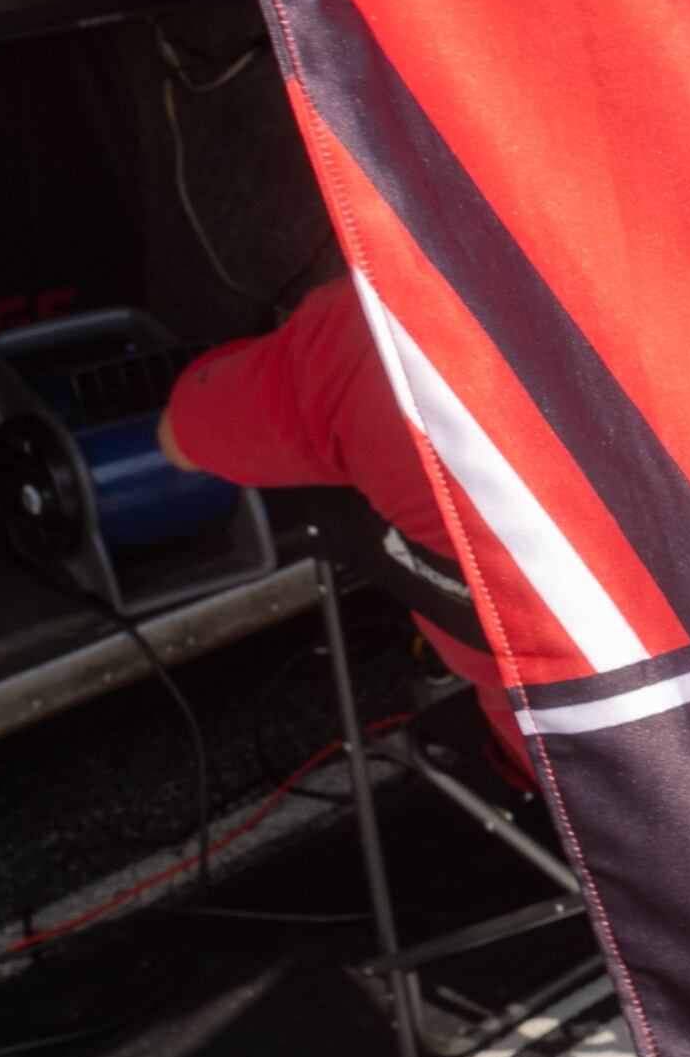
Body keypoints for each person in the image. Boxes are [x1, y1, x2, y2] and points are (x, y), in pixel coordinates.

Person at [160, 274, 527, 777]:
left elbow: (179, 437)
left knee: (328, 462)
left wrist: (291, 354)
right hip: (650, 772)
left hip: (587, 780)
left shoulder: (377, 329)